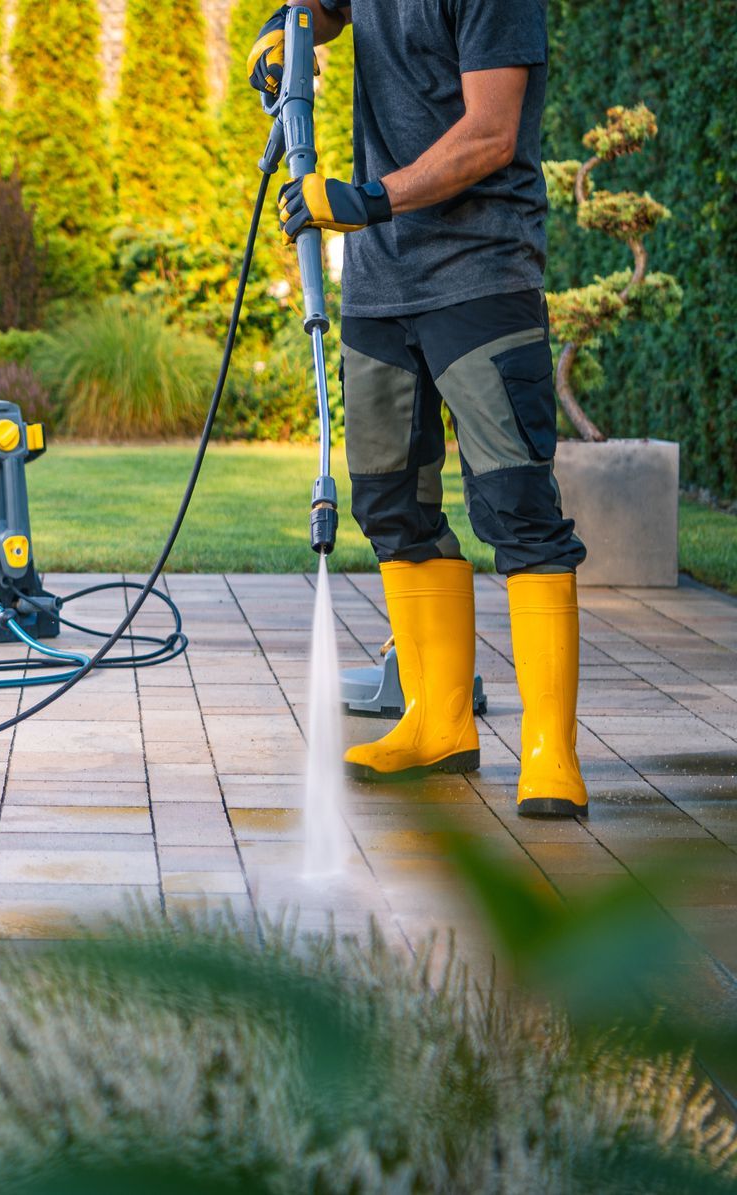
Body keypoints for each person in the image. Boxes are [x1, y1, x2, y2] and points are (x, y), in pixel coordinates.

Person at [247, 0, 587, 819]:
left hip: (481, 273)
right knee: (391, 504)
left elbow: (490, 133)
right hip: (380, 283)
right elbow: (326, 9)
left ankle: (550, 750)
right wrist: (287, 28)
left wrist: (367, 200)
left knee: (517, 506)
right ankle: (438, 721)